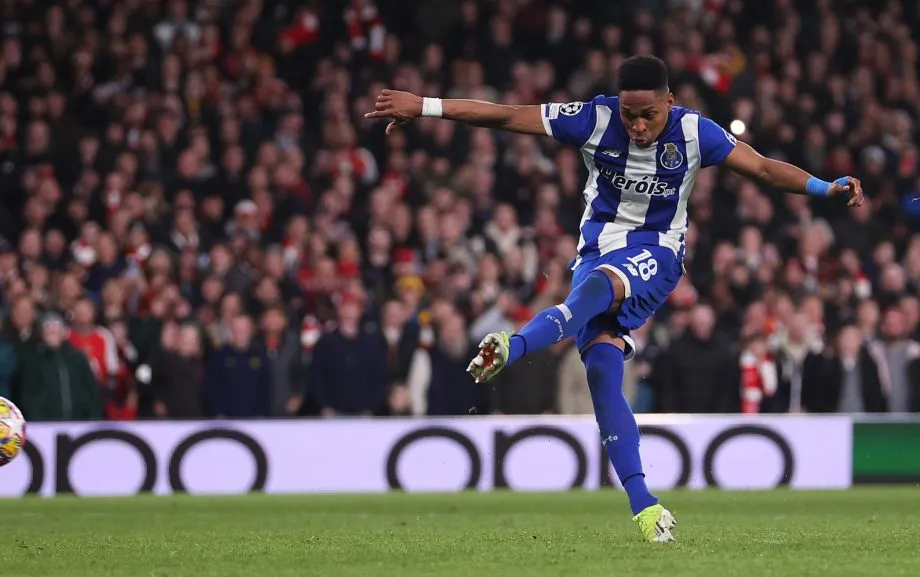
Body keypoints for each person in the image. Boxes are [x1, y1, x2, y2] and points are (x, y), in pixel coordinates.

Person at [365, 55, 865, 542]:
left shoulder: (696, 133)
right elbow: (506, 115)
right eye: (630, 114)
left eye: (649, 114)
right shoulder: (594, 119)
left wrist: (824, 188)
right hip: (595, 251)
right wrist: (425, 105)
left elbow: (761, 168)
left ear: (670, 101)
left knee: (603, 285)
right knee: (603, 373)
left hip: (657, 254)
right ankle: (644, 506)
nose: (638, 125)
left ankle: (513, 347)